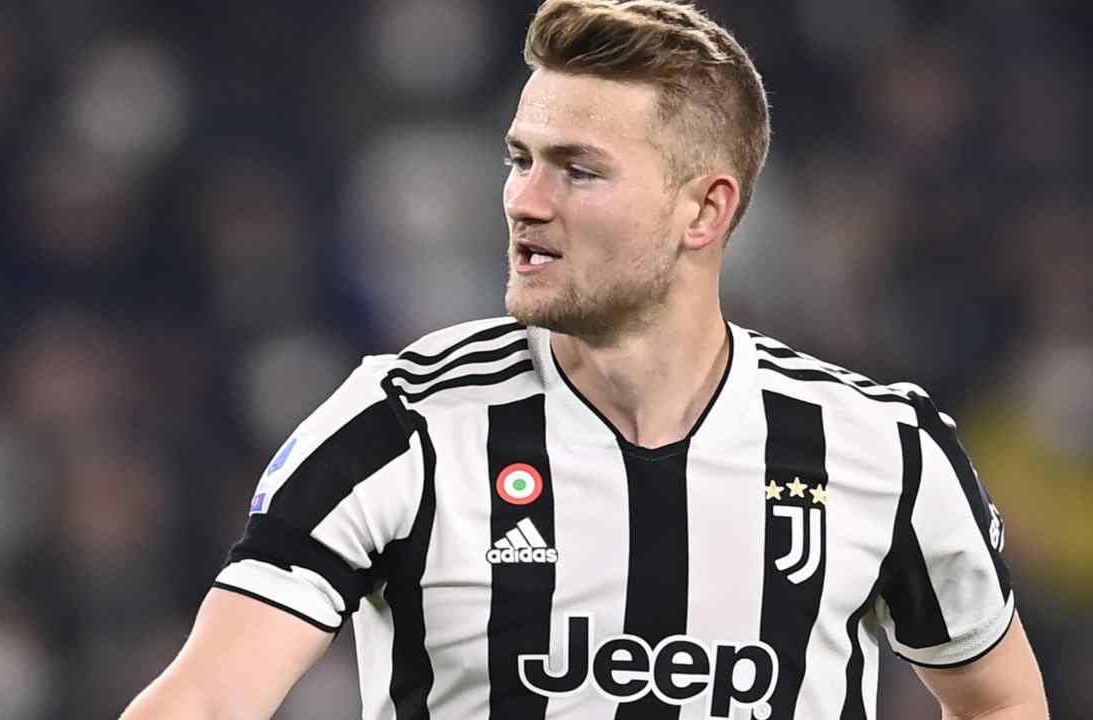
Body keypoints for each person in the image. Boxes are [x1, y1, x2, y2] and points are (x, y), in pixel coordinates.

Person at [122, 1, 1049, 718]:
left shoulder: (882, 449)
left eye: (578, 169)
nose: (524, 201)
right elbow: (203, 700)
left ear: (706, 210)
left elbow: (1000, 698)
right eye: (519, 159)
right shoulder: (403, 428)